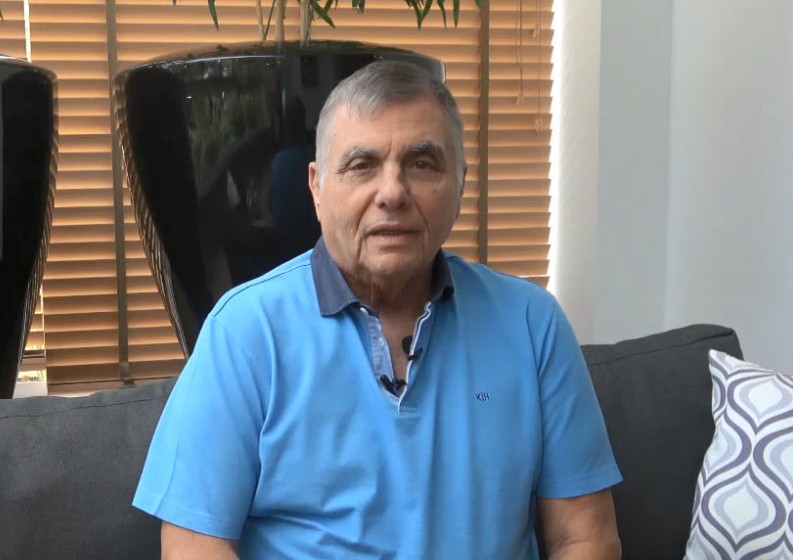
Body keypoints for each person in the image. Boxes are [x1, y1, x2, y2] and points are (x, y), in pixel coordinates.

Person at [133, 60, 622, 559]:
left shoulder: (532, 323)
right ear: (317, 187)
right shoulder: (244, 331)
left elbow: (584, 537)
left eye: (422, 164)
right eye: (361, 165)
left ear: (460, 184)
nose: (392, 193)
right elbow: (192, 545)